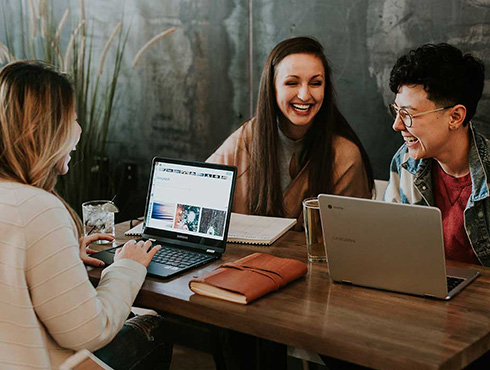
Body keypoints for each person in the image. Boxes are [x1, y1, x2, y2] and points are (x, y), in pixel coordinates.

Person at [0, 61, 172, 369]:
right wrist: (126, 268)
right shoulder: (38, 209)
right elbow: (89, 332)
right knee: (153, 327)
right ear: (43, 130)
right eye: (72, 119)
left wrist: (60, 255)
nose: (78, 131)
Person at [207, 36, 374, 227]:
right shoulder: (246, 138)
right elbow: (198, 194)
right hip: (246, 256)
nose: (304, 95)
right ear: (272, 88)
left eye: (316, 83)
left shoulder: (345, 156)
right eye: (292, 83)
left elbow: (352, 237)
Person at [384, 43, 489, 266]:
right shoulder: (404, 163)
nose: (397, 125)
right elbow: (389, 246)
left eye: (408, 114)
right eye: (396, 111)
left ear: (455, 117)